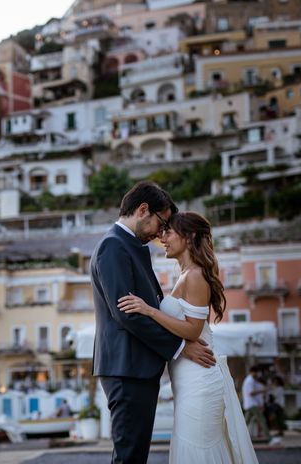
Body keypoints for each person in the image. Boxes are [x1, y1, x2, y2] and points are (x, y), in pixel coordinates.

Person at [117, 211, 258, 463]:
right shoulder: (186, 275)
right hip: (188, 379)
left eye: (168, 232)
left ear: (189, 237)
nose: (163, 239)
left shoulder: (196, 275)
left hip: (200, 378)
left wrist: (149, 311)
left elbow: (193, 330)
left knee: (196, 451)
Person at [91, 183, 216, 464]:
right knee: (129, 457)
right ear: (143, 210)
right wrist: (181, 347)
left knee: (135, 455)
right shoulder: (113, 246)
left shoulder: (131, 247)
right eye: (161, 223)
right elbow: (127, 313)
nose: (161, 233)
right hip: (126, 369)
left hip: (136, 368)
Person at [242, 366, 269, 441]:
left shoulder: (249, 380)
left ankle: (240, 438)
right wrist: (262, 390)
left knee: (245, 423)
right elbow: (251, 393)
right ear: (253, 372)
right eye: (257, 372)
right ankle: (269, 438)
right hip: (252, 404)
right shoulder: (250, 380)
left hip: (249, 404)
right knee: (262, 420)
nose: (258, 374)